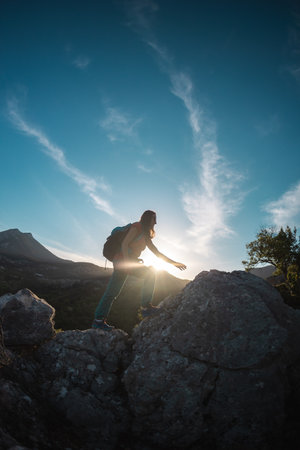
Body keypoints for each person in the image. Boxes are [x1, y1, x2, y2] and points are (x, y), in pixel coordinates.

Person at [92, 210, 186, 331]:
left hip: (124, 261)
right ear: (148, 219)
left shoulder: (145, 235)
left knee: (113, 292)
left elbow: (157, 253)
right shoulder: (137, 227)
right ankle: (146, 307)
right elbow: (125, 244)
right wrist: (126, 263)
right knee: (150, 273)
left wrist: (174, 263)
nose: (156, 222)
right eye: (154, 219)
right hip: (122, 261)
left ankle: (98, 321)